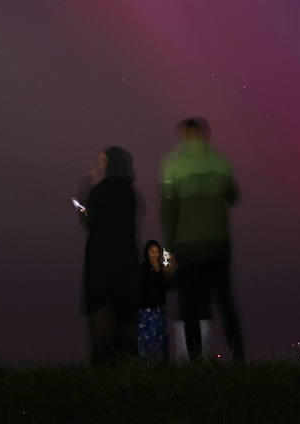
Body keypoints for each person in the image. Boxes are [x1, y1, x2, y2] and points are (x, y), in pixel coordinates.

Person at [160, 117, 243, 361]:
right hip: (218, 243)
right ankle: (238, 357)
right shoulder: (221, 162)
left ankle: (195, 360)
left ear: (183, 135)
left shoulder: (171, 166)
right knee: (225, 301)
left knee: (190, 305)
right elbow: (233, 195)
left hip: (187, 247)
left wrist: (167, 256)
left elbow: (167, 214)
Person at [79, 146, 141, 364]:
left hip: (101, 261)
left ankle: (103, 375)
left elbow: (92, 222)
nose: (99, 165)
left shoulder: (99, 191)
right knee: (125, 323)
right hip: (126, 260)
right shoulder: (131, 192)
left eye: (103, 161)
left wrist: (85, 209)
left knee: (103, 324)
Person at [136, 240, 176, 360]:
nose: (155, 254)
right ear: (147, 253)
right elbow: (143, 287)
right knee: (147, 340)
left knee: (160, 338)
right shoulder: (143, 269)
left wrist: (168, 273)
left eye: (157, 251)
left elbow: (166, 288)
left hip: (160, 309)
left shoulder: (162, 269)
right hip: (146, 311)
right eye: (152, 251)